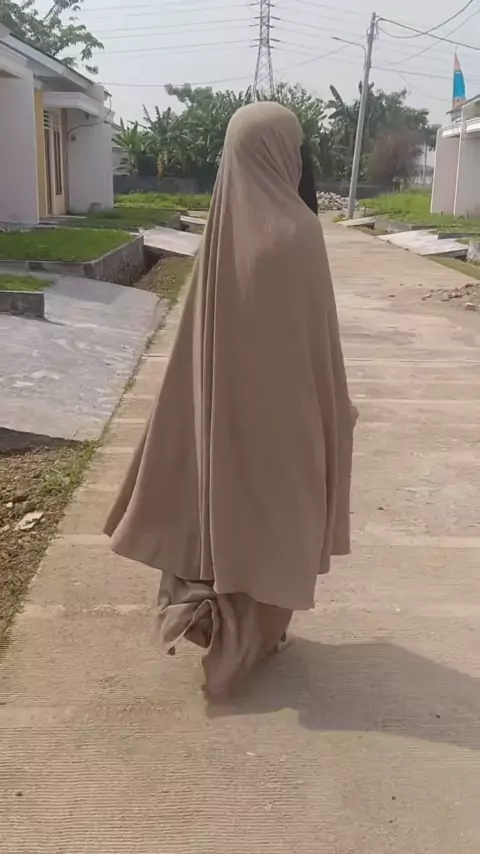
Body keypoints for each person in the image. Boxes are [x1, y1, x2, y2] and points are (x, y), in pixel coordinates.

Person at [104, 102, 356, 698]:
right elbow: (318, 343)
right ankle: (254, 638)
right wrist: (334, 410)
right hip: (285, 419)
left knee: (222, 518)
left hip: (220, 416)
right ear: (283, 153)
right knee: (278, 525)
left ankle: (214, 619)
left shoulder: (221, 229)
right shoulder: (298, 233)